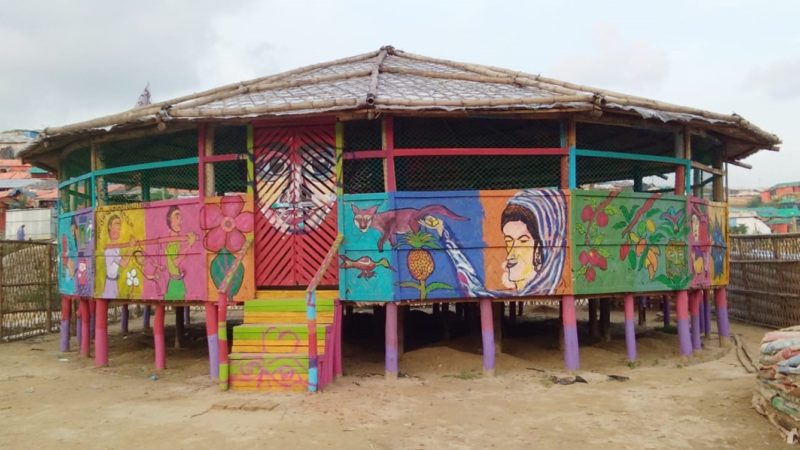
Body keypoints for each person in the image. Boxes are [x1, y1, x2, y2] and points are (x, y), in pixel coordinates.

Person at [421, 188, 567, 297]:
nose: (511, 255)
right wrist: (442, 230)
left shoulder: (545, 287)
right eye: (508, 241)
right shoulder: (499, 294)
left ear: (544, 245)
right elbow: (470, 282)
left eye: (523, 241)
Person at [162, 206, 196, 300]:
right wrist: (189, 246)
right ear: (169, 220)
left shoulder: (177, 240)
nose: (180, 221)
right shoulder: (172, 241)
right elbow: (176, 262)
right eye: (177, 217)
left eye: (180, 218)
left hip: (178, 280)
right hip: (174, 282)